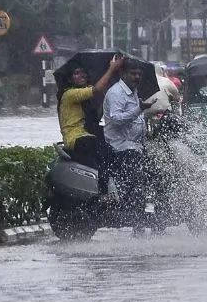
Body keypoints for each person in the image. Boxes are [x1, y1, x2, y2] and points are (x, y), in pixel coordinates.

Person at [104, 63, 170, 223]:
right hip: (121, 147)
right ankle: (137, 221)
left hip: (136, 146)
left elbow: (136, 118)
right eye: (133, 73)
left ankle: (159, 218)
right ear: (123, 73)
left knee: (159, 176)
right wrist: (139, 109)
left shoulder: (133, 91)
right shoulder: (116, 93)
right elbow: (116, 119)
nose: (137, 77)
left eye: (139, 74)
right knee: (138, 182)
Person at [57, 54, 124, 196]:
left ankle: (117, 190)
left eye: (83, 72)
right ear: (69, 79)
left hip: (86, 134)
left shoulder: (84, 97)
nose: (81, 75)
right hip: (76, 138)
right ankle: (104, 194)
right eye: (76, 73)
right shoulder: (70, 94)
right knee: (104, 154)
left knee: (113, 153)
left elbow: (95, 116)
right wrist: (111, 69)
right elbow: (96, 90)